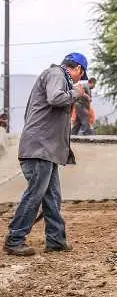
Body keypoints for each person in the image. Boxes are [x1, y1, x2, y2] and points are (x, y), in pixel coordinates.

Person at [3, 52, 88, 256]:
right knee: (35, 195)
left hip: (45, 150)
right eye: (80, 77)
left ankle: (56, 240)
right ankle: (15, 239)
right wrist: (77, 92)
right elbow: (56, 98)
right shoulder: (56, 73)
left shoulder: (56, 76)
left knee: (52, 197)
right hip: (39, 149)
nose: (79, 81)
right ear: (77, 69)